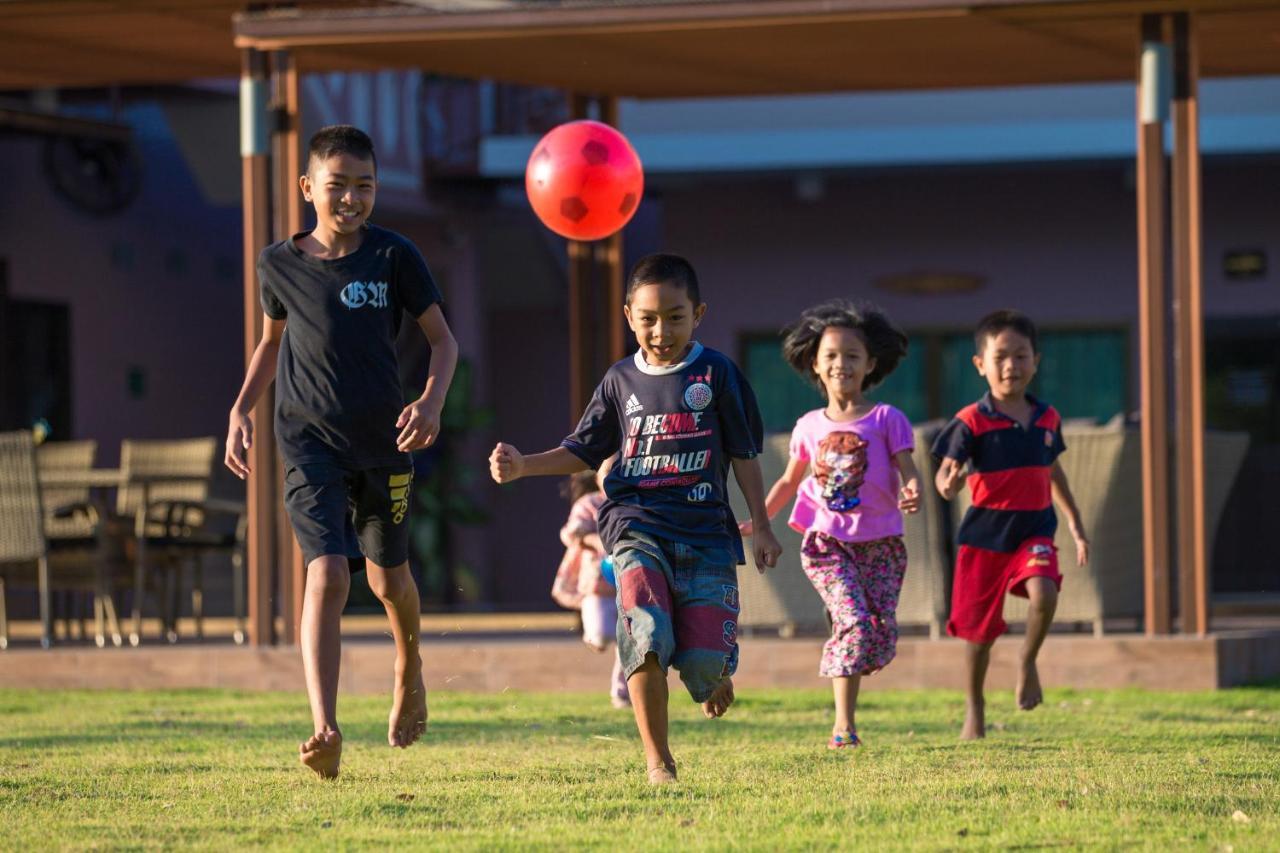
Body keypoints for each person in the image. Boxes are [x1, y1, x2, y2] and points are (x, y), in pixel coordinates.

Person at [489, 253, 782, 784]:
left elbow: (743, 456)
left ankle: (713, 672)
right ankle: (658, 763)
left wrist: (761, 525)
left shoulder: (717, 373)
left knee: (699, 664)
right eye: (648, 317)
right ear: (628, 315)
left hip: (706, 536)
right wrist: (524, 466)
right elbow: (582, 448)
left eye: (675, 316)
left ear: (699, 313)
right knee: (644, 633)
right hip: (635, 527)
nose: (661, 329)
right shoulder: (619, 379)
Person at [224, 125, 459, 778]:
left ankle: (409, 663)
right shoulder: (278, 264)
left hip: (385, 444)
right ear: (308, 189)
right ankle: (324, 724)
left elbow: (444, 342)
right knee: (325, 572)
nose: (352, 199)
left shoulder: (394, 256)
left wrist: (432, 401)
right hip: (308, 444)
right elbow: (272, 343)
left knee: (388, 580)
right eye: (338, 186)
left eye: (365, 187)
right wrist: (243, 406)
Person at [742, 300, 919, 749]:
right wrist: (761, 519)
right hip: (826, 543)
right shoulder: (807, 426)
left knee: (878, 634)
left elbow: (906, 466)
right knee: (855, 624)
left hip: (881, 543)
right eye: (832, 356)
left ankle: (850, 636)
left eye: (852, 356)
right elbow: (789, 479)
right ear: (816, 365)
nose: (842, 364)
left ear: (870, 364)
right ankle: (843, 726)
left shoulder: (886, 419)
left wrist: (914, 487)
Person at [931, 309, 1089, 740]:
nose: (1011, 367)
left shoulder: (1047, 418)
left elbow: (1052, 471)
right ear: (980, 363)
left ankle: (1027, 661)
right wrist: (950, 483)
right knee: (978, 636)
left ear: (1036, 360)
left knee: (1045, 593)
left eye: (1021, 356)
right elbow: (945, 477)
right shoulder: (970, 421)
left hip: (1034, 531)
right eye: (1000, 356)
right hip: (983, 539)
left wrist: (1074, 523)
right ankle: (975, 708)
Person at [552, 461, 630, 708]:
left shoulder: (633, 502)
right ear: (597, 479)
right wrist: (593, 539)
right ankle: (594, 636)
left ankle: (622, 693)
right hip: (596, 582)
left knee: (629, 641)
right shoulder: (589, 504)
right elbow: (570, 533)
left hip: (629, 583)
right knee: (602, 635)